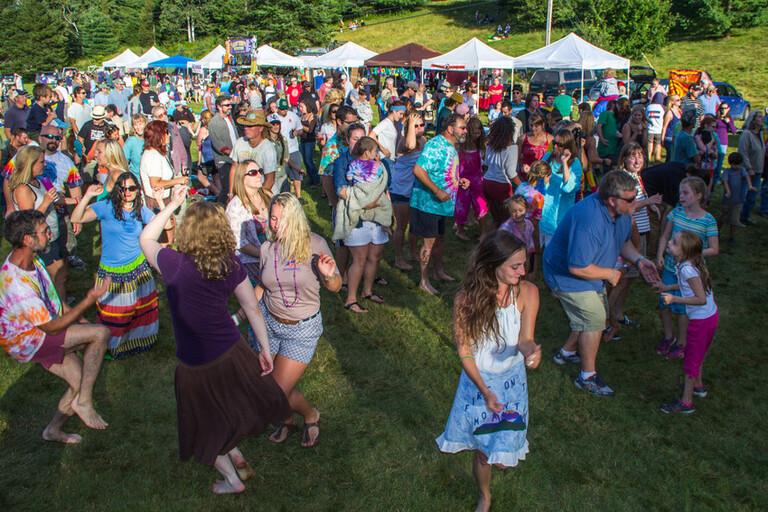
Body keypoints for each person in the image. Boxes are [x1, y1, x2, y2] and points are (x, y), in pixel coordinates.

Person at [139, 190, 290, 495]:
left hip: (196, 362)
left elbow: (145, 239)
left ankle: (232, 481)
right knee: (228, 406)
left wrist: (171, 205)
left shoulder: (174, 263)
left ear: (187, 231)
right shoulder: (230, 264)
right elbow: (251, 308)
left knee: (203, 422)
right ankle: (236, 454)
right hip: (231, 352)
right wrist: (264, 349)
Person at [436, 230, 541, 512]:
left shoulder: (528, 292)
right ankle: (485, 495)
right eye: (515, 266)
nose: (523, 271)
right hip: (478, 382)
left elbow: (525, 338)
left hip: (512, 382)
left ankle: (498, 459)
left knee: (504, 453)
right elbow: (465, 351)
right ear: (493, 264)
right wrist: (484, 390)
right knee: (484, 451)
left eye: (524, 264)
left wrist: (531, 351)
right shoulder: (466, 299)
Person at [0, 209, 112, 441]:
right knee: (100, 333)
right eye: (44, 231)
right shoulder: (18, 285)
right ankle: (85, 402)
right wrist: (88, 301)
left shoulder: (34, 260)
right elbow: (50, 327)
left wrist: (78, 319)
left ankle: (53, 430)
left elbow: (54, 300)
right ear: (27, 239)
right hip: (30, 340)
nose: (49, 234)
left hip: (38, 329)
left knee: (78, 379)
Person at [546, 171, 660, 396]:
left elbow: (624, 241)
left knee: (593, 314)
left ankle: (567, 353)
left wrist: (640, 260)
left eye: (635, 196)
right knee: (595, 319)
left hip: (590, 271)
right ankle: (587, 377)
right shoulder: (589, 220)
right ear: (611, 200)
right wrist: (609, 273)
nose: (635, 203)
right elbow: (577, 266)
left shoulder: (624, 212)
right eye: (630, 199)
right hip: (566, 276)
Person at [256, 193, 341, 448]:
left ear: (295, 219)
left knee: (276, 390)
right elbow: (262, 285)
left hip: (301, 329)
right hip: (268, 323)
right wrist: (243, 314)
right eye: (272, 218)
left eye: (281, 219)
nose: (275, 224)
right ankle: (286, 420)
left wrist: (328, 276)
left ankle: (310, 415)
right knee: (265, 382)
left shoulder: (315, 245)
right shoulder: (267, 248)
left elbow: (336, 286)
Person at [70, 174, 159, 358]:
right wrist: (87, 196)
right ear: (118, 189)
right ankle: (111, 346)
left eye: (132, 188)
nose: (127, 193)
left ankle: (137, 342)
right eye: (123, 188)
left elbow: (165, 225)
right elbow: (76, 218)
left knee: (139, 309)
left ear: (138, 190)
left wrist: (160, 201)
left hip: (138, 268)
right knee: (114, 314)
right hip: (112, 271)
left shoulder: (140, 210)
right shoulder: (106, 207)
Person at [603, 143, 662, 341]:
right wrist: (649, 202)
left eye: (640, 156)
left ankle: (618, 315)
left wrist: (650, 207)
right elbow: (625, 206)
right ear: (623, 159)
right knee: (619, 281)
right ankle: (605, 320)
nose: (637, 160)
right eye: (632, 157)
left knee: (629, 279)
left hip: (640, 232)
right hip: (627, 237)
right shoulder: (623, 179)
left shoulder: (637, 177)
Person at [655, 176, 718, 359]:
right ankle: (668, 336)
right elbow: (664, 236)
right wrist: (659, 255)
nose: (681, 196)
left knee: (683, 308)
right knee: (664, 302)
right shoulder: (676, 213)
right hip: (669, 267)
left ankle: (682, 342)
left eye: (686, 193)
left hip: (690, 273)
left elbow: (714, 249)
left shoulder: (708, 220)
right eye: (680, 192)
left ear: (698, 195)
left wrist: (690, 253)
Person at [657, 231, 718, 414]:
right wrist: (668, 287)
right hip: (711, 317)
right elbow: (687, 286)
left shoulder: (686, 269)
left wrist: (674, 300)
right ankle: (698, 386)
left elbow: (700, 299)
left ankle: (686, 403)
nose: (669, 242)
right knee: (698, 355)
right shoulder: (688, 264)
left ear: (683, 252)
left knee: (691, 360)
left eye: (674, 243)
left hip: (701, 321)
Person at [333, 136, 392, 313]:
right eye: (374, 151)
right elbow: (344, 190)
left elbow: (384, 186)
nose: (377, 154)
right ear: (367, 152)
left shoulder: (378, 165)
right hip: (359, 218)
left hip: (377, 216)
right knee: (359, 259)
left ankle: (367, 291)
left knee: (375, 256)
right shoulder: (344, 163)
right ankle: (351, 299)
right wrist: (364, 201)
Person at [410, 114, 465, 295]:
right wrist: (436, 191)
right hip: (428, 203)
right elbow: (418, 170)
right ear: (450, 129)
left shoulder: (452, 146)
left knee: (440, 240)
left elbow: (445, 170)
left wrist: (459, 180)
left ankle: (438, 271)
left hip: (443, 205)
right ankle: (423, 280)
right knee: (428, 244)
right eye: (462, 127)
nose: (465, 131)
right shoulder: (435, 145)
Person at [9, 145, 70, 299]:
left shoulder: (41, 180)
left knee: (59, 276)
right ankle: (59, 312)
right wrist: (46, 201)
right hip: (39, 240)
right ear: (30, 164)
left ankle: (58, 306)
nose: (45, 165)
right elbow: (28, 221)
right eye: (41, 162)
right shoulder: (23, 189)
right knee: (58, 275)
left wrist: (79, 200)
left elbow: (57, 200)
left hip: (52, 234)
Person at [226, 160, 271, 282]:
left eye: (260, 171)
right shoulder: (235, 206)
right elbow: (239, 243)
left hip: (273, 256)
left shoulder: (267, 196)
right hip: (250, 262)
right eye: (253, 172)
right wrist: (265, 255)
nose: (259, 175)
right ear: (242, 178)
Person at [390, 113, 425, 271]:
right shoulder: (404, 142)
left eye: (421, 125)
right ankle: (398, 258)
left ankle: (412, 252)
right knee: (401, 226)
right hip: (401, 190)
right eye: (415, 125)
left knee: (415, 225)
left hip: (415, 190)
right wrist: (410, 123)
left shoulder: (423, 141)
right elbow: (410, 146)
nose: (419, 128)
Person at [538, 129, 582, 249]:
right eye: (554, 143)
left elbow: (570, 188)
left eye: (559, 145)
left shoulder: (575, 163)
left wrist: (564, 162)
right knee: (542, 251)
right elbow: (538, 179)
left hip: (561, 215)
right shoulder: (547, 157)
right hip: (544, 212)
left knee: (557, 252)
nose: (555, 146)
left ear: (568, 146)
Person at [454, 116, 489, 240]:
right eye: (474, 130)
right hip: (463, 181)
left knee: (481, 205)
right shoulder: (461, 146)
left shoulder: (481, 146)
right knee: (462, 206)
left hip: (477, 180)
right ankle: (460, 230)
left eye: (479, 129)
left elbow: (484, 164)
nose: (477, 133)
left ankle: (483, 232)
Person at [483, 116, 521, 225]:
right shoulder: (512, 148)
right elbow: (511, 173)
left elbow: (486, 163)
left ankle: (496, 237)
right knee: (507, 219)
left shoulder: (490, 145)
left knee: (496, 216)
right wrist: (523, 185)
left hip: (487, 182)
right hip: (502, 186)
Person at [270, 99, 305, 199]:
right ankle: (284, 195)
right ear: (277, 108)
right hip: (280, 150)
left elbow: (301, 129)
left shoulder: (293, 115)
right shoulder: (274, 118)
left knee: (297, 173)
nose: (284, 111)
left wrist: (296, 133)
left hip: (293, 148)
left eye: (285, 109)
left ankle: (298, 196)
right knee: (282, 174)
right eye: (282, 109)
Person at [208, 95, 239, 203]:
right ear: (219, 107)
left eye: (230, 104)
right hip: (224, 161)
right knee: (227, 189)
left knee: (236, 187)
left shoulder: (229, 118)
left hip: (234, 158)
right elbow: (219, 146)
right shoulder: (214, 123)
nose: (230, 107)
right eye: (227, 105)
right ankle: (220, 209)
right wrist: (234, 153)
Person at [738, 111, 766, 224]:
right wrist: (749, 167)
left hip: (758, 170)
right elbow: (743, 152)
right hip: (747, 170)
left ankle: (745, 216)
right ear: (753, 120)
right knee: (743, 196)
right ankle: (736, 218)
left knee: (752, 197)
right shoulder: (746, 134)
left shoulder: (760, 134)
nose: (762, 118)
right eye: (759, 117)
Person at [719, 152, 754, 242]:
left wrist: (750, 186)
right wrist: (728, 191)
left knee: (734, 220)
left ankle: (732, 237)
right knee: (723, 217)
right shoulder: (727, 171)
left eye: (738, 164)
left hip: (738, 201)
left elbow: (747, 177)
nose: (736, 166)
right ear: (731, 163)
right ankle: (716, 233)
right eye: (735, 164)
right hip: (727, 200)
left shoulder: (742, 170)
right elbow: (725, 182)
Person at [499, 195, 535, 272]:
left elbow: (530, 239)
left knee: (528, 271)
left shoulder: (529, 224)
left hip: (528, 252)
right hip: (513, 257)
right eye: (514, 211)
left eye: (521, 210)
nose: (518, 214)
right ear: (509, 211)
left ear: (526, 209)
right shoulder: (506, 228)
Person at [371, 101, 405, 168]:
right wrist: (383, 149)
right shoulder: (385, 123)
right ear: (394, 111)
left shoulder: (393, 123)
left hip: (391, 159)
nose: (402, 116)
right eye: (400, 113)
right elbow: (371, 135)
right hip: (385, 159)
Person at [519, 114, 552, 180]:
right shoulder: (523, 138)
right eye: (531, 125)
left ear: (542, 125)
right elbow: (518, 157)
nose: (533, 128)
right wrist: (521, 167)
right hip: (525, 176)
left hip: (542, 177)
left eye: (536, 126)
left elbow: (552, 159)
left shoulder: (550, 139)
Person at [713, 103, 736, 185]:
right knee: (714, 161)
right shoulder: (716, 118)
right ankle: (713, 178)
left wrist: (729, 122)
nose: (723, 110)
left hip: (723, 143)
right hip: (715, 142)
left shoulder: (729, 119)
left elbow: (734, 131)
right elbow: (713, 129)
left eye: (725, 108)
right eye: (722, 108)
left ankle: (717, 178)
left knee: (720, 162)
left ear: (728, 109)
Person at [298, 99, 319, 187]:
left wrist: (300, 125)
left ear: (307, 106)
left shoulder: (312, 116)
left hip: (310, 141)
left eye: (302, 106)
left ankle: (316, 180)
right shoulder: (302, 116)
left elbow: (310, 130)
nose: (300, 108)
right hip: (302, 140)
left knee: (309, 160)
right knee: (305, 162)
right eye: (300, 106)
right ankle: (311, 179)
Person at [596, 100, 619, 164]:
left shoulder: (617, 116)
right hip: (606, 147)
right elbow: (599, 126)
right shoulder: (605, 113)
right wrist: (602, 139)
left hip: (614, 147)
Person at [661, 95, 682, 162]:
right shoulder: (669, 113)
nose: (680, 101)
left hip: (677, 137)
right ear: (672, 102)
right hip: (669, 137)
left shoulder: (680, 111)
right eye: (678, 100)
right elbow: (664, 127)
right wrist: (662, 139)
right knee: (670, 156)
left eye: (680, 99)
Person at [646, 92, 666, 163]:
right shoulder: (662, 107)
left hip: (650, 129)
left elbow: (646, 117)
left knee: (649, 143)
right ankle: (657, 158)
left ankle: (649, 157)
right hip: (659, 129)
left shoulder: (648, 106)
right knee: (658, 144)